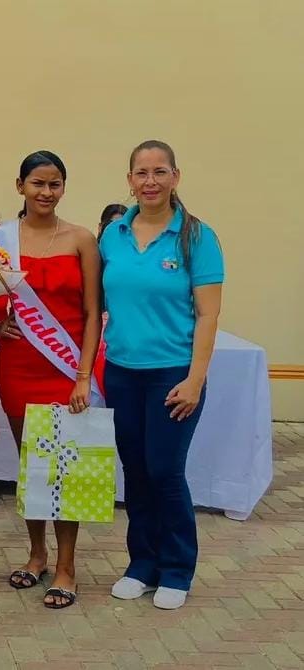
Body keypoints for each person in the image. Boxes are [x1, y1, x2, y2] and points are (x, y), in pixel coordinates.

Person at [0, 151, 102, 609]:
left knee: (66, 468)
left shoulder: (82, 239)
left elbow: (93, 313)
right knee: (32, 464)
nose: (46, 192)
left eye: (54, 184)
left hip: (65, 369)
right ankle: (36, 554)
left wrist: (83, 375)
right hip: (18, 366)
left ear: (63, 187)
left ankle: (67, 566)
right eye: (37, 183)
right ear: (20, 186)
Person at [101, 140, 223, 610]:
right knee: (135, 471)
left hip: (172, 374)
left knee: (165, 471)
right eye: (141, 172)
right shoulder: (112, 236)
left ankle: (176, 569)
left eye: (159, 171)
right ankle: (142, 564)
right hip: (122, 373)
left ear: (175, 177)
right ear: (129, 180)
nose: (150, 181)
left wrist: (195, 379)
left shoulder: (196, 237)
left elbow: (208, 315)